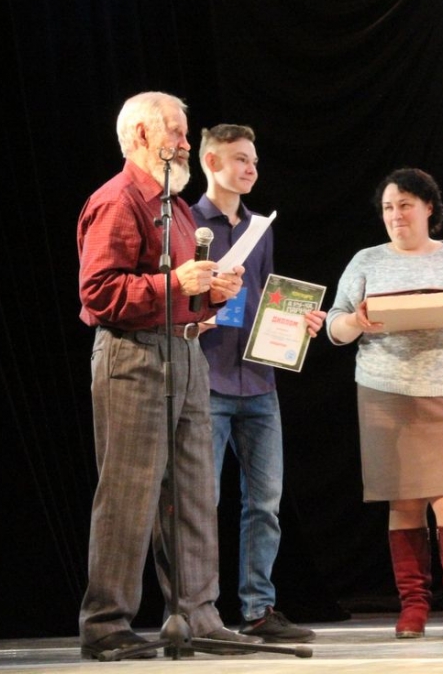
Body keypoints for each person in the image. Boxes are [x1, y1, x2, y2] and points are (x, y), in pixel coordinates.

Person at [76, 91, 261, 660]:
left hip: (185, 353)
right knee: (129, 494)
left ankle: (198, 616)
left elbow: (183, 293)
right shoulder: (118, 200)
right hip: (133, 357)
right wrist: (176, 284)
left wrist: (212, 293)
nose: (185, 143)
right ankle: (106, 623)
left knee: (194, 493)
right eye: (177, 133)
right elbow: (98, 293)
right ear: (140, 136)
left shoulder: (174, 205)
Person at [326, 168, 443, 639]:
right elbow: (335, 326)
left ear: (429, 207)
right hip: (384, 388)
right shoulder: (366, 260)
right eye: (388, 207)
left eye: (405, 205)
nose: (396, 215)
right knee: (403, 501)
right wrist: (357, 322)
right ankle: (413, 607)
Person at [191, 124, 325, 643]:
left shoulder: (259, 228)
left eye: (254, 161)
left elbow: (269, 295)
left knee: (265, 502)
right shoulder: (188, 223)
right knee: (202, 502)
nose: (250, 169)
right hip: (206, 378)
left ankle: (258, 609)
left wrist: (299, 319)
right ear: (211, 162)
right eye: (240, 159)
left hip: (259, 381)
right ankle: (199, 611)